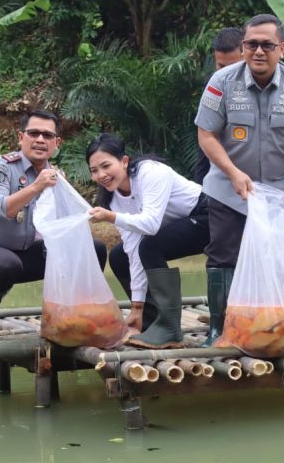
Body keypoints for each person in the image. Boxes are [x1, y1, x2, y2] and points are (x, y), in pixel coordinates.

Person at [194, 13, 284, 345]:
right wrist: (233, 173)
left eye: (267, 45)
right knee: (223, 255)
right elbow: (207, 135)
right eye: (251, 44)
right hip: (231, 189)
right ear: (242, 48)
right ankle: (219, 329)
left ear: (281, 48)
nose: (258, 51)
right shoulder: (220, 84)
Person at [0, 110, 107, 341]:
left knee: (94, 248)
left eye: (48, 135)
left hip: (28, 255)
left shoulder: (55, 177)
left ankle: (75, 315)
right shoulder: (2, 167)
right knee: (5, 264)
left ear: (56, 143)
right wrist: (35, 187)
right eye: (34, 133)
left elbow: (62, 225)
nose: (40, 140)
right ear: (21, 137)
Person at [87, 133, 210, 349]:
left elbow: (151, 224)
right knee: (120, 256)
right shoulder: (113, 197)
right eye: (94, 170)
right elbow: (133, 249)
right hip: (177, 227)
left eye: (106, 166)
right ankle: (152, 323)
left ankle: (170, 329)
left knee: (150, 246)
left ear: (124, 161)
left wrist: (110, 217)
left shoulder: (151, 172)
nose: (102, 175)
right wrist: (137, 307)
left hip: (207, 216)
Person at [194, 27, 245, 184]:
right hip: (218, 159)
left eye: (233, 66)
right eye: (221, 66)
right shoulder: (213, 84)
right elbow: (207, 134)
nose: (227, 74)